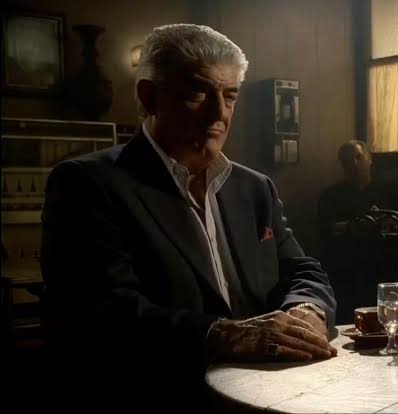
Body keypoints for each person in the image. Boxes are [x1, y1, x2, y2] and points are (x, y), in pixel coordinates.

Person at [40, 24, 336, 410]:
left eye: (229, 96)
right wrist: (224, 334)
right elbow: (102, 310)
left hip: (269, 393)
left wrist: (307, 311)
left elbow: (303, 271)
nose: (219, 113)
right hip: (157, 396)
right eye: (198, 93)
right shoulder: (86, 183)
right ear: (148, 97)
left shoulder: (254, 187)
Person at [318, 140, 398, 246]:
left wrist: (393, 223)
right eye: (348, 160)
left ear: (370, 159)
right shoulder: (331, 196)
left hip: (389, 249)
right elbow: (324, 229)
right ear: (342, 165)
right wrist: (354, 226)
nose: (355, 163)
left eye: (359, 157)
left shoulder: (395, 190)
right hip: (349, 250)